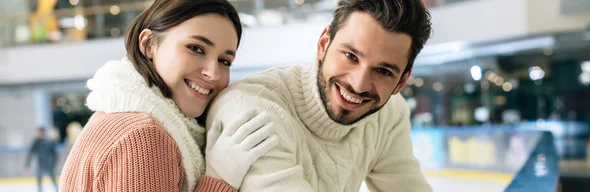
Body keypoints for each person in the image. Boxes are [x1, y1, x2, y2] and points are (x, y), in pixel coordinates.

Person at [205, 0, 434, 191]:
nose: (359, 84)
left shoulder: (389, 114)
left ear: (402, 81)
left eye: (383, 71)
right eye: (350, 56)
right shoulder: (250, 111)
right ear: (324, 44)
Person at [59, 0, 279, 192]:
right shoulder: (142, 136)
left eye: (224, 61)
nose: (212, 73)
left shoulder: (126, 117)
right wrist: (220, 178)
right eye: (196, 48)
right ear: (149, 45)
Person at [26, 127, 58, 192]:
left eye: (41, 132)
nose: (40, 134)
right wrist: (27, 164)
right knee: (39, 180)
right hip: (40, 164)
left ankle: (57, 189)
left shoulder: (49, 141)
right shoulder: (36, 142)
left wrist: (53, 163)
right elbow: (31, 153)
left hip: (48, 164)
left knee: (53, 179)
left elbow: (55, 154)